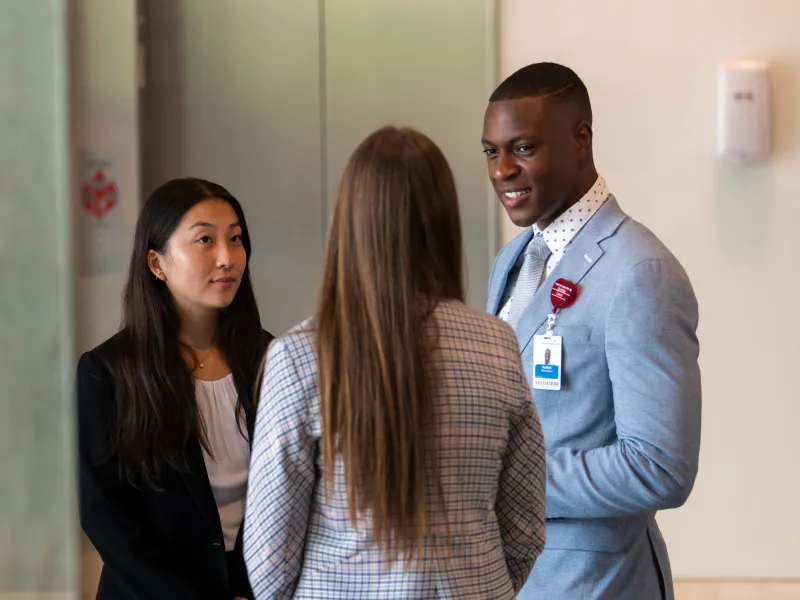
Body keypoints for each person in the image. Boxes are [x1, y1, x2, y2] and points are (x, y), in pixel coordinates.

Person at [243, 126, 546, 599]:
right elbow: (525, 528)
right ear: (446, 222)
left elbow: (269, 559)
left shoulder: (300, 358)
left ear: (348, 222)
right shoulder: (497, 344)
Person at [482, 62, 702, 599]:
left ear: (581, 139)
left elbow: (659, 467)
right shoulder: (513, 259)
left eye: (524, 148)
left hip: (596, 583)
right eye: (492, 151)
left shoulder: (640, 272)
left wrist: (507, 479)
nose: (502, 170)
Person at [76, 177, 273, 600]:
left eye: (235, 239)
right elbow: (104, 514)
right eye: (205, 239)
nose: (227, 257)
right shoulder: (107, 372)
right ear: (157, 263)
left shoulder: (272, 359)